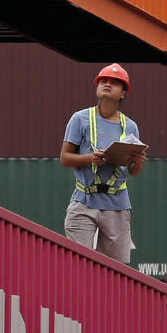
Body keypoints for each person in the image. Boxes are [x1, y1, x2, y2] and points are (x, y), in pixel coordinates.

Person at [60, 63, 146, 263]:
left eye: (115, 83)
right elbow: (65, 158)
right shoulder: (80, 119)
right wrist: (91, 158)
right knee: (77, 264)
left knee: (114, 272)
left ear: (123, 93)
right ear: (97, 87)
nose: (107, 84)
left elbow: (132, 171)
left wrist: (139, 162)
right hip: (84, 201)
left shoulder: (130, 126)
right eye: (103, 81)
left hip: (117, 205)